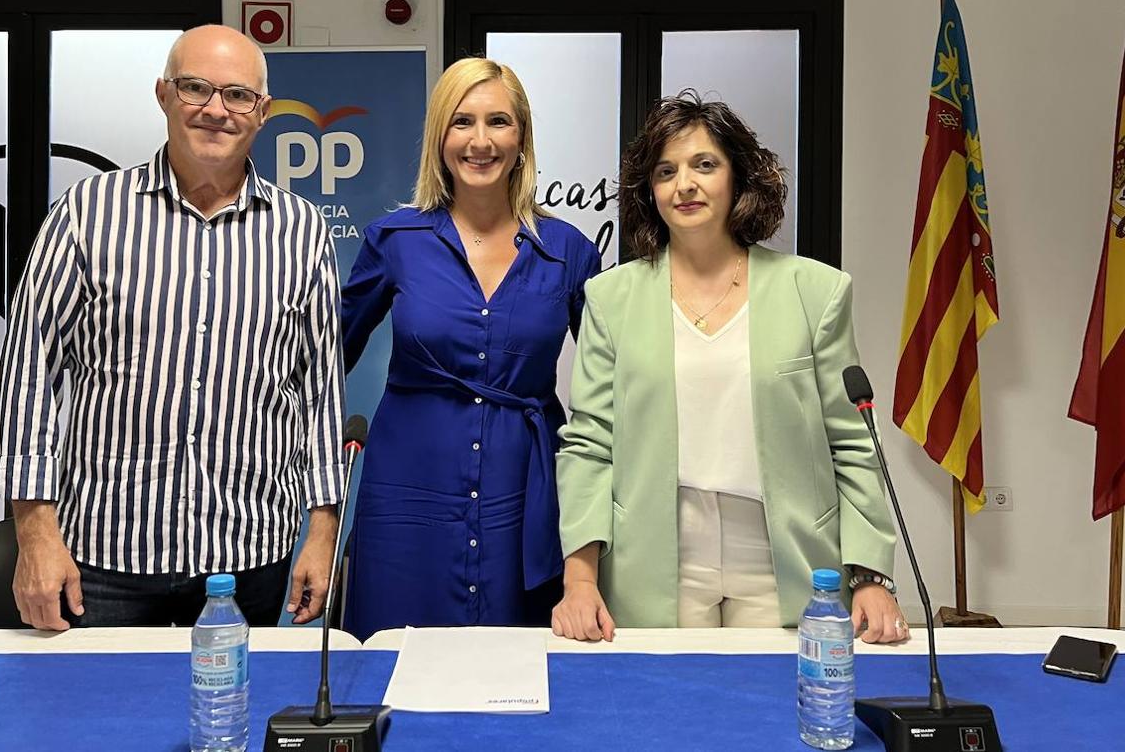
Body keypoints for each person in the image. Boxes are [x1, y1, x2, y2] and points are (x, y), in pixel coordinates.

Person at [0, 25, 345, 630]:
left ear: (261, 113)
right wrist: (34, 531)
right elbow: (28, 373)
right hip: (105, 558)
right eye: (195, 88)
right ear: (163, 94)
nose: (216, 109)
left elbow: (317, 393)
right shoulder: (86, 213)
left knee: (233, 722)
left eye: (237, 96)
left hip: (250, 555)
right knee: (96, 722)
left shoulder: (302, 231)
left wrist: (323, 530)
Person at [553, 92, 908, 644]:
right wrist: (580, 580)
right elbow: (590, 445)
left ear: (740, 179)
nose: (684, 184)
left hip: (781, 555)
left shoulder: (816, 292)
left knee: (776, 714)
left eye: (704, 165)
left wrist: (869, 575)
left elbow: (853, 442)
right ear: (651, 191)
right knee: (667, 714)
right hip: (656, 552)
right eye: (666, 171)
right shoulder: (610, 298)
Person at [339, 57, 600, 641]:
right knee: (392, 664)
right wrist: (321, 510)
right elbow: (321, 369)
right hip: (407, 493)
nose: (480, 141)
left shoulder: (570, 252)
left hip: (523, 492)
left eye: (498, 122)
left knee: (519, 673)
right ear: (440, 136)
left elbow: (612, 399)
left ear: (522, 138)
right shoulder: (394, 240)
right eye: (462, 123)